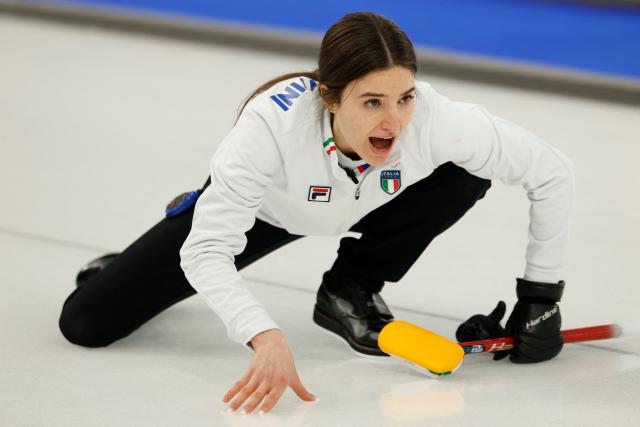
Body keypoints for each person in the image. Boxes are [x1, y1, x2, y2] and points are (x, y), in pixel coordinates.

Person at [59, 11, 574, 414]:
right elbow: (209, 249)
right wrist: (263, 333)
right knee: (86, 323)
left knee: (465, 171)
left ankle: (349, 291)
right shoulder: (268, 130)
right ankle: (121, 265)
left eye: (405, 97)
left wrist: (540, 296)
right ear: (329, 96)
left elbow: (552, 171)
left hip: (369, 203)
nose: (395, 121)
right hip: (271, 210)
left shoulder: (440, 122)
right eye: (372, 102)